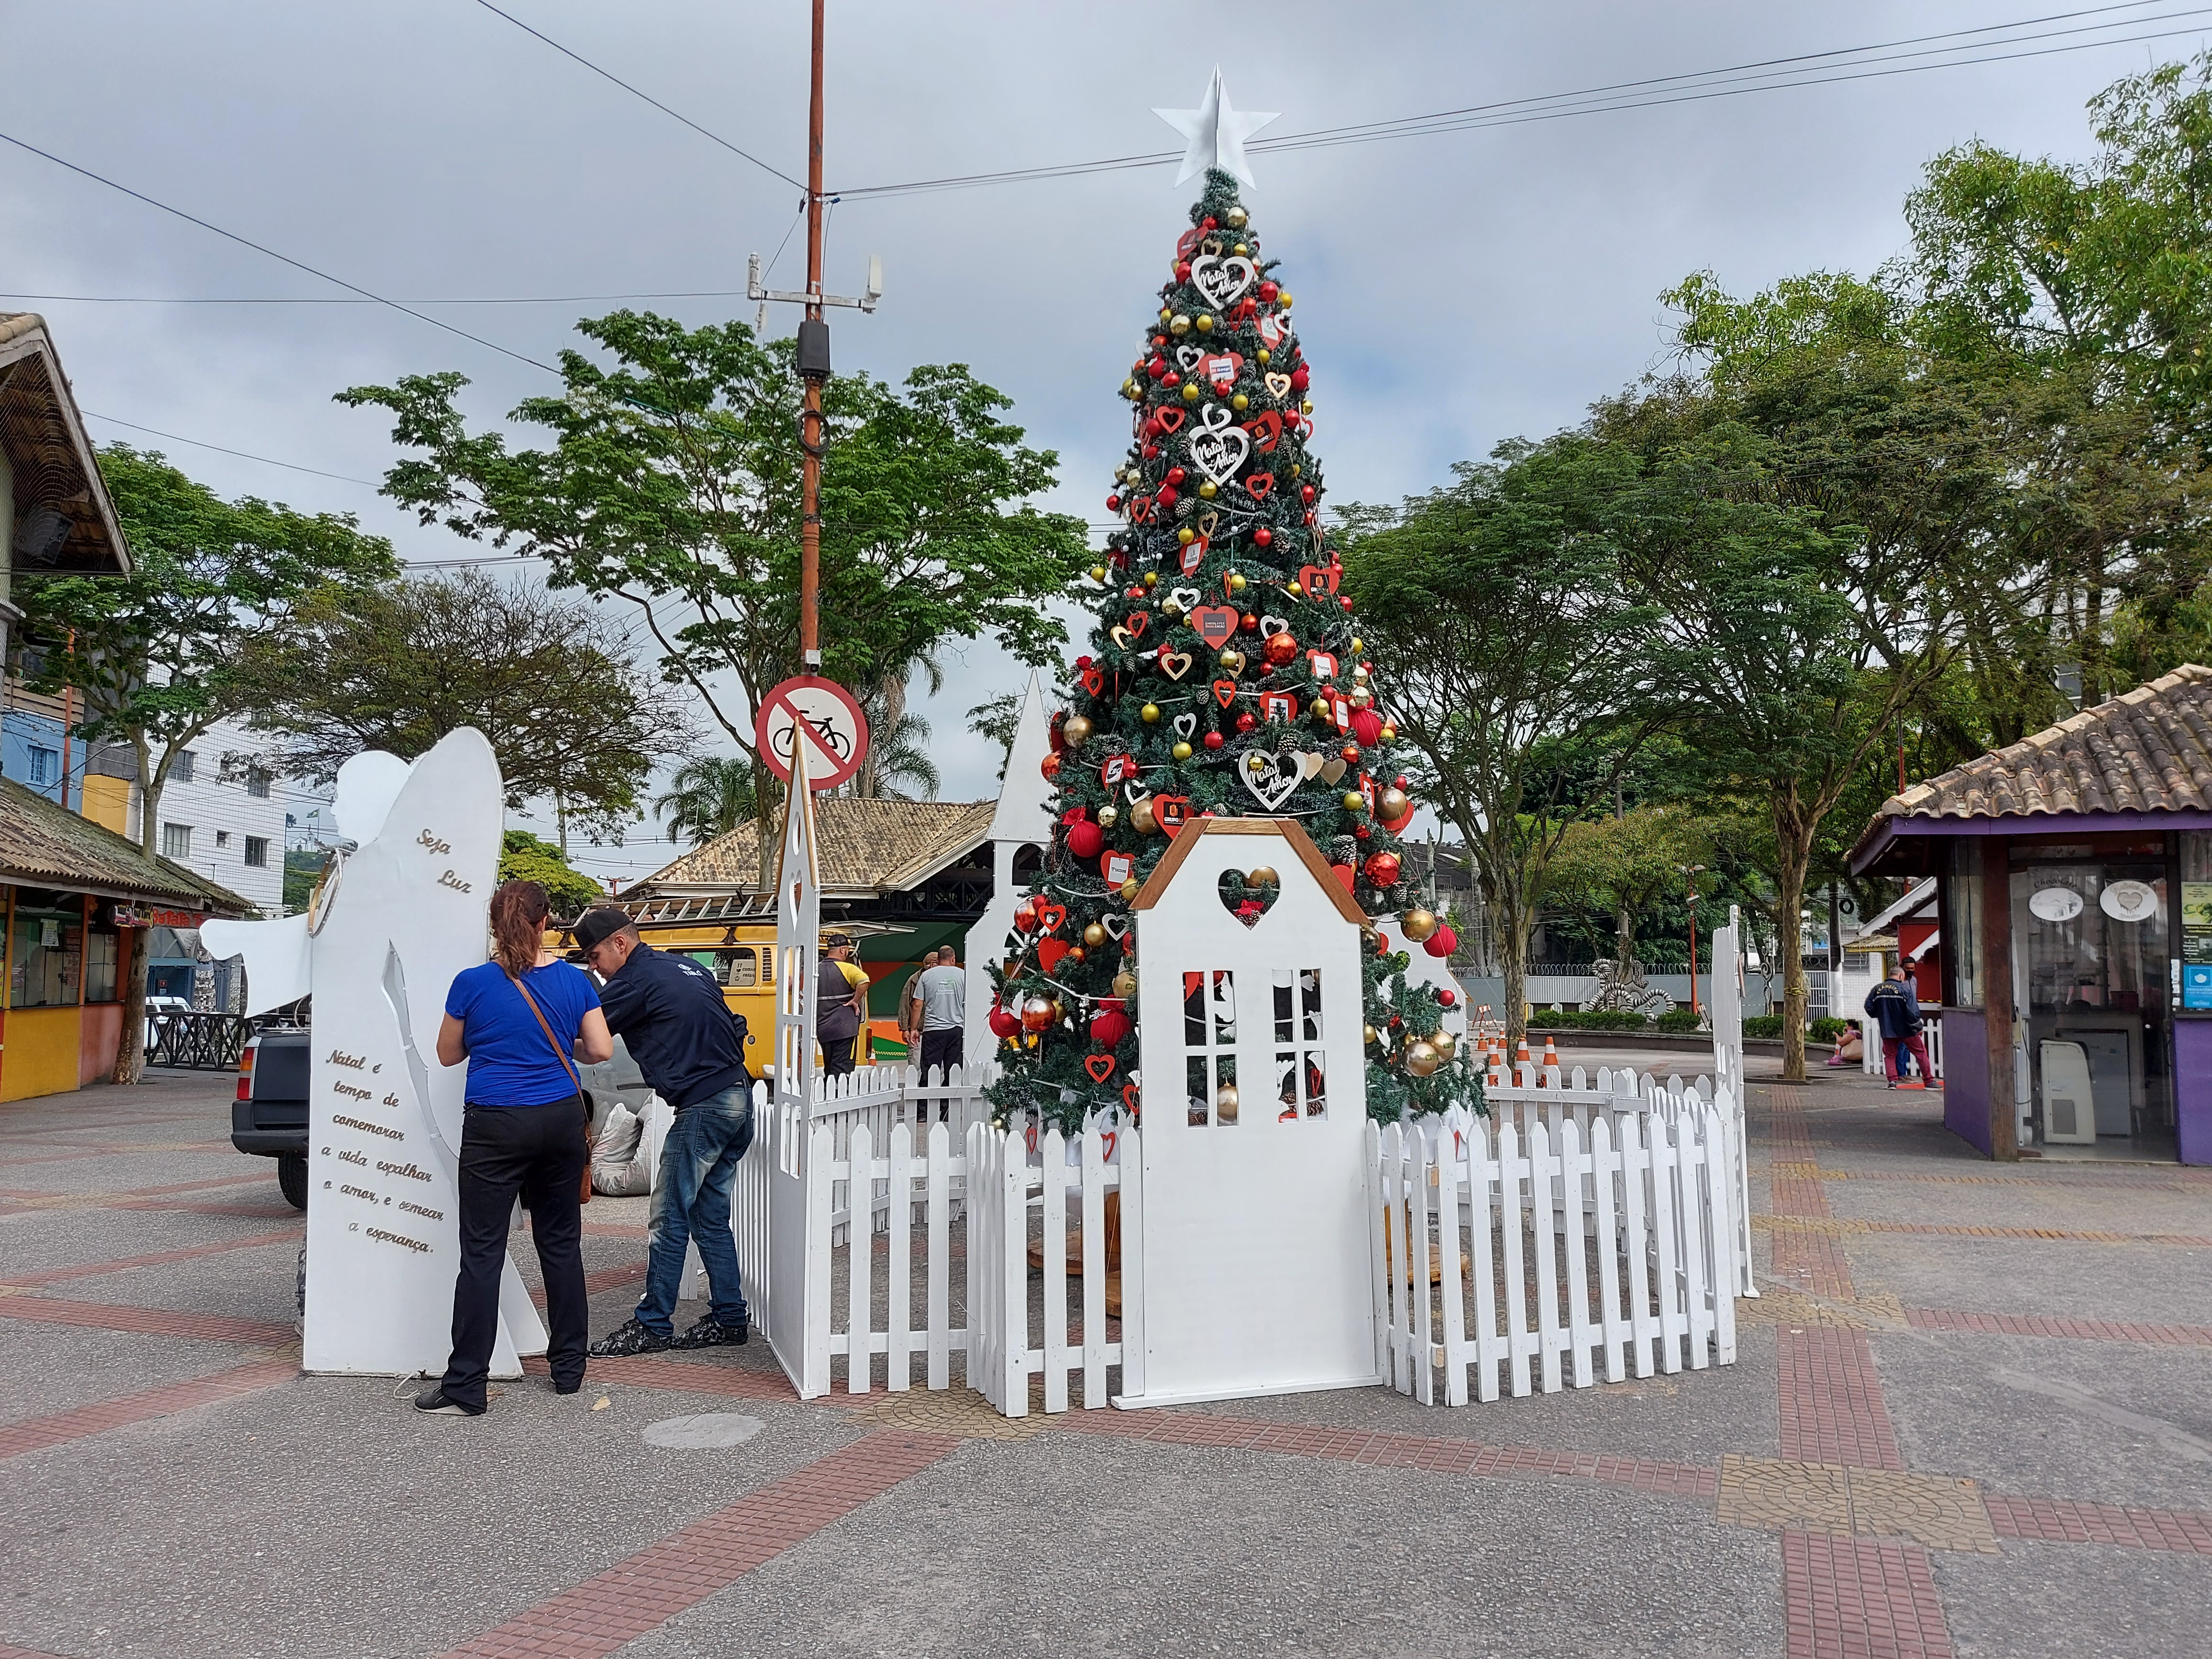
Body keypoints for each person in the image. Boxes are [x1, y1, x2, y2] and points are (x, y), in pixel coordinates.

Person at [416, 880, 612, 1416]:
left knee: (482, 1252)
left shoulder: (472, 983)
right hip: (559, 1121)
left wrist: (497, 1040)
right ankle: (569, 1371)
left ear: (494, 924)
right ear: (546, 919)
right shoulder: (575, 982)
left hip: (495, 1124)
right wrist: (556, 1043)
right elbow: (599, 1049)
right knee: (560, 1245)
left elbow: (448, 1054)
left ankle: (466, 1386)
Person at [572, 907, 756, 1357]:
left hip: (703, 1106)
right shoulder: (688, 966)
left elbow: (592, 1042)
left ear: (620, 943)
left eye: (595, 955)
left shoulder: (633, 981)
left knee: (668, 1216)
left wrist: (541, 1041)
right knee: (708, 1216)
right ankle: (730, 1318)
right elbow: (735, 1025)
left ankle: (653, 1323)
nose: (593, 967)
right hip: (738, 1098)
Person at [912, 945, 967, 1123]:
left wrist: (914, 1028)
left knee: (928, 1071)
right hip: (957, 1030)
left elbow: (917, 1004)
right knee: (953, 1071)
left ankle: (923, 1112)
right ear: (953, 958)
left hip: (933, 1031)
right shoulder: (963, 975)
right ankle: (946, 1111)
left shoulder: (926, 976)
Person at [1863, 963, 1937, 1091]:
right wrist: (1918, 1027)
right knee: (1921, 1054)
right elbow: (1913, 1012)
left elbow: (1868, 1006)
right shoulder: (1904, 990)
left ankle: (1892, 1082)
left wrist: (1880, 1015)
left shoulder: (1877, 989)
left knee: (1890, 1056)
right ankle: (1929, 1082)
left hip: (1888, 1029)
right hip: (1907, 1029)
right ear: (1901, 976)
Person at [817, 932, 869, 1077]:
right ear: (842, 950)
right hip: (844, 1028)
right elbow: (864, 982)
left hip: (823, 1028)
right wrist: (856, 1001)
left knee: (830, 1066)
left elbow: (800, 987)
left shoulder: (816, 970)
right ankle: (837, 1096)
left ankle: (827, 1094)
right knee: (842, 1068)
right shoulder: (848, 968)